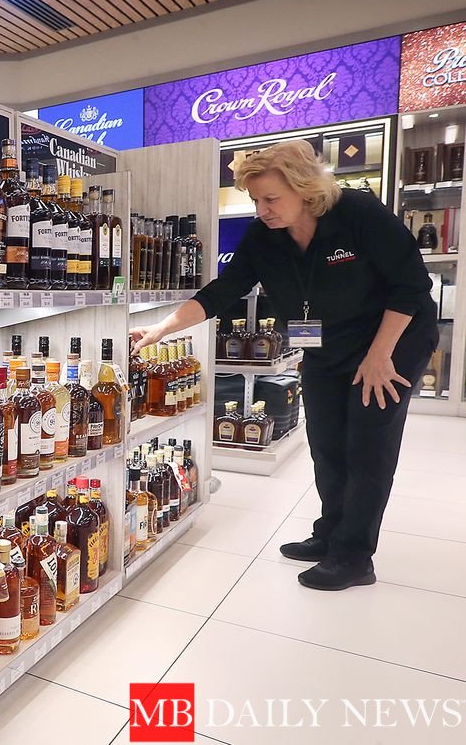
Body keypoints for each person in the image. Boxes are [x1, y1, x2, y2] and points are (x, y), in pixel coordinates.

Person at [131, 140, 438, 591]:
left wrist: (380, 355)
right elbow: (224, 291)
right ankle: (331, 534)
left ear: (305, 188)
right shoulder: (265, 237)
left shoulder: (358, 214)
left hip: (392, 342)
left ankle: (354, 557)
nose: (262, 210)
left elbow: (412, 286)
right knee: (326, 444)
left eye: (271, 198)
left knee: (367, 447)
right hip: (325, 346)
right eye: (255, 200)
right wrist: (162, 328)